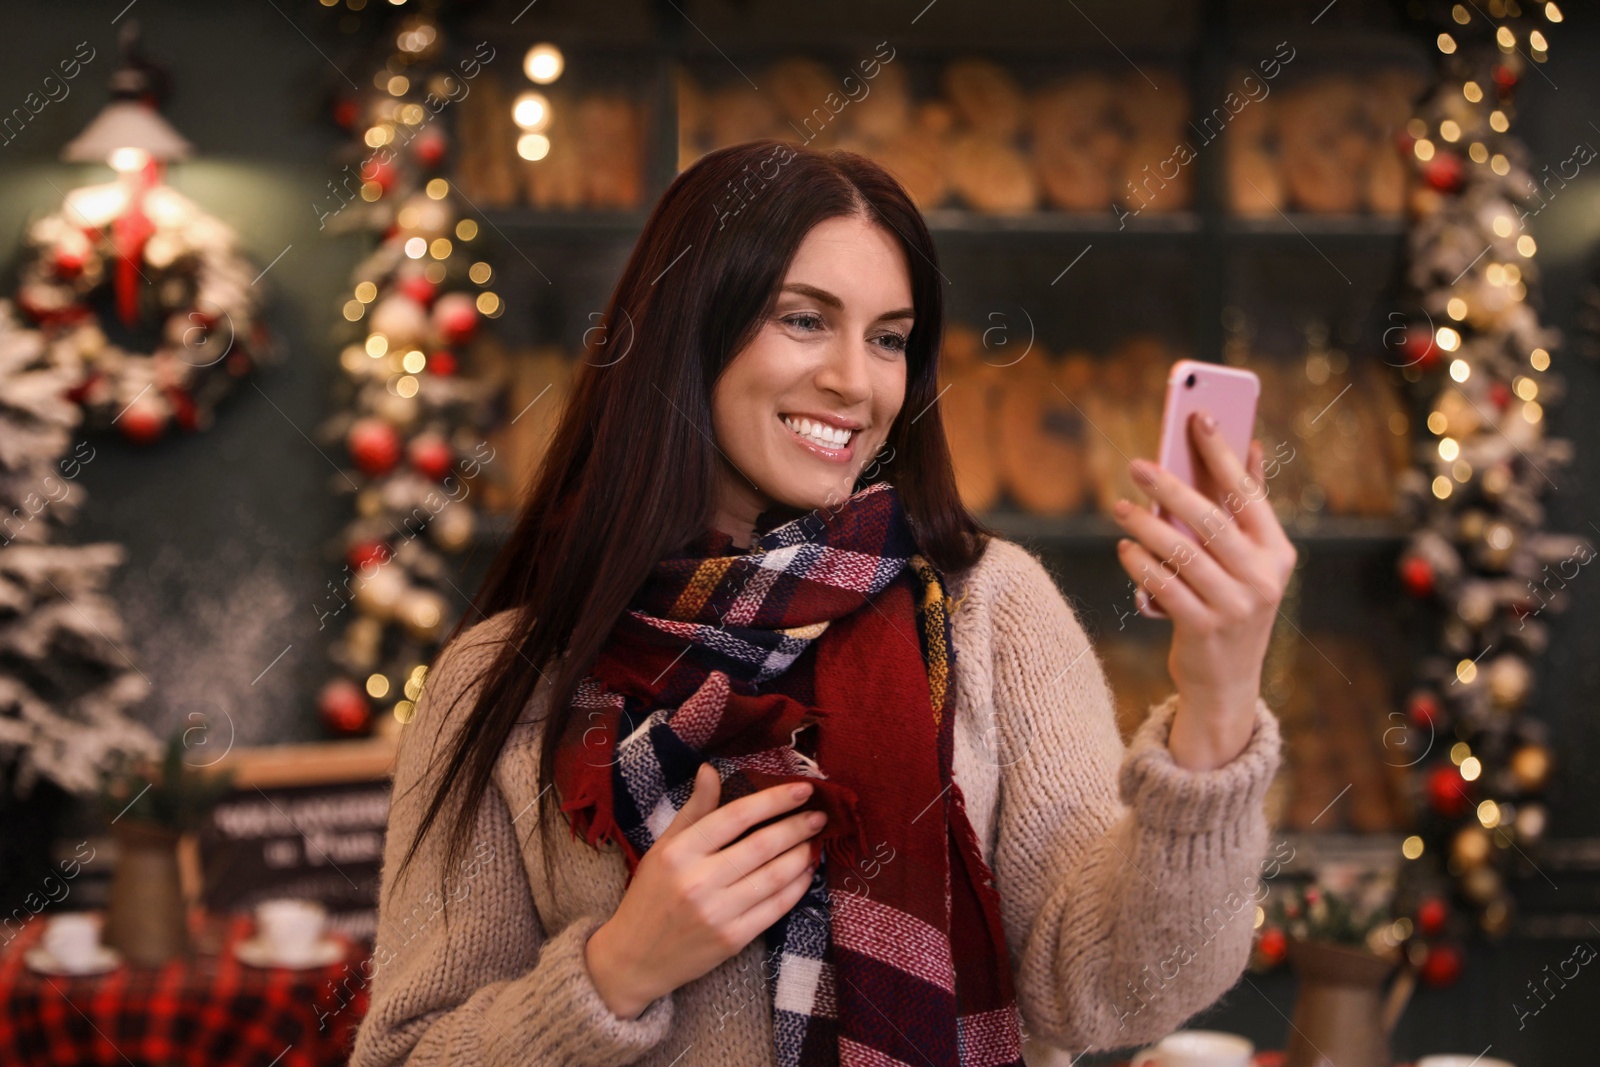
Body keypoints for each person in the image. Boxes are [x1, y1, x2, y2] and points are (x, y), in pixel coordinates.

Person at [349, 139, 1289, 1067]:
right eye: (804, 320)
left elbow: (1112, 987)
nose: (855, 380)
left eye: (889, 338)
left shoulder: (989, 609)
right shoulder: (506, 678)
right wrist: (616, 971)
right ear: (691, 328)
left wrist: (1218, 704)